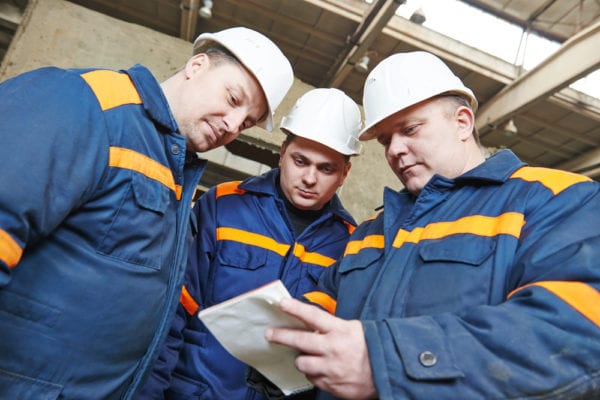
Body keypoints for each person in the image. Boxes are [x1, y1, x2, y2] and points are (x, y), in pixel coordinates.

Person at [262, 51, 600, 399]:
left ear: (463, 122)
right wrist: (282, 343)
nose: (395, 150)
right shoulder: (370, 231)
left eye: (409, 129)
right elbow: (330, 301)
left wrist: (386, 362)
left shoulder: (556, 198)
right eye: (385, 140)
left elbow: (574, 330)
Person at [0, 26, 293, 399]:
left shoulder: (173, 168)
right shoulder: (87, 104)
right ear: (197, 65)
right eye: (234, 98)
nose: (233, 126)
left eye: (247, 122)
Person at [138, 88, 363, 399]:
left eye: (326, 168)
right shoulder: (223, 204)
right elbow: (173, 310)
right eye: (300, 160)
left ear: (344, 173)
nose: (310, 178)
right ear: (282, 152)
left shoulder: (352, 245)